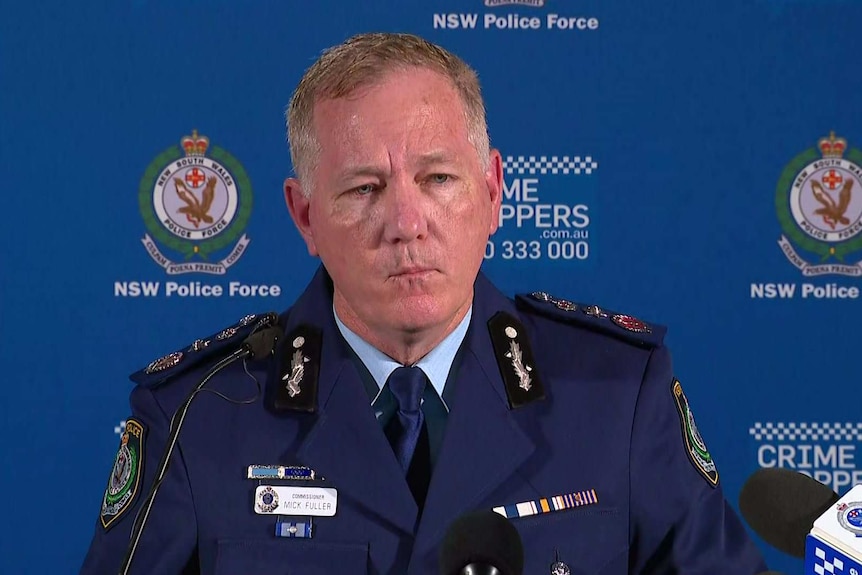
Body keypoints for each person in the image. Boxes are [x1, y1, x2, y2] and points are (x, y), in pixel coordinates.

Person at [81, 32, 767, 574]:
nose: (407, 222)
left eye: (438, 178)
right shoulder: (196, 414)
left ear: (494, 192)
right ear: (305, 216)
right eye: (364, 189)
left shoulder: (617, 394)